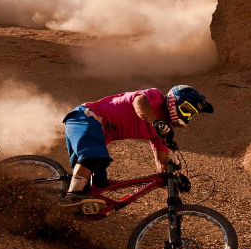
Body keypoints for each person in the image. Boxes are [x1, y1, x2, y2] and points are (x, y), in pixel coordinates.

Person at [61, 85, 213, 207]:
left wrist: (177, 179)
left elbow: (161, 164)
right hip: (86, 117)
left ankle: (60, 210)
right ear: (175, 101)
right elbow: (138, 103)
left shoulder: (162, 130)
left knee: (97, 187)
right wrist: (156, 122)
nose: (187, 117)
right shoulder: (155, 97)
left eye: (191, 114)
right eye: (186, 110)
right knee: (94, 158)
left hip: (95, 135)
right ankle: (71, 197)